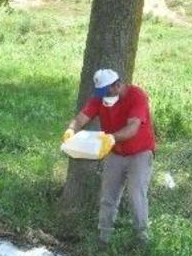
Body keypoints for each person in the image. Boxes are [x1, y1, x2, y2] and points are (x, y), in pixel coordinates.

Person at [63, 68, 156, 246]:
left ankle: (142, 238)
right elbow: (82, 117)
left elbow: (133, 128)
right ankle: (104, 238)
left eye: (107, 92)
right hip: (115, 151)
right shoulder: (100, 97)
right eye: (101, 93)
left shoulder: (137, 96)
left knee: (136, 194)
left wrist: (112, 137)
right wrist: (71, 129)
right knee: (108, 195)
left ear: (118, 85)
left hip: (140, 152)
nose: (104, 96)